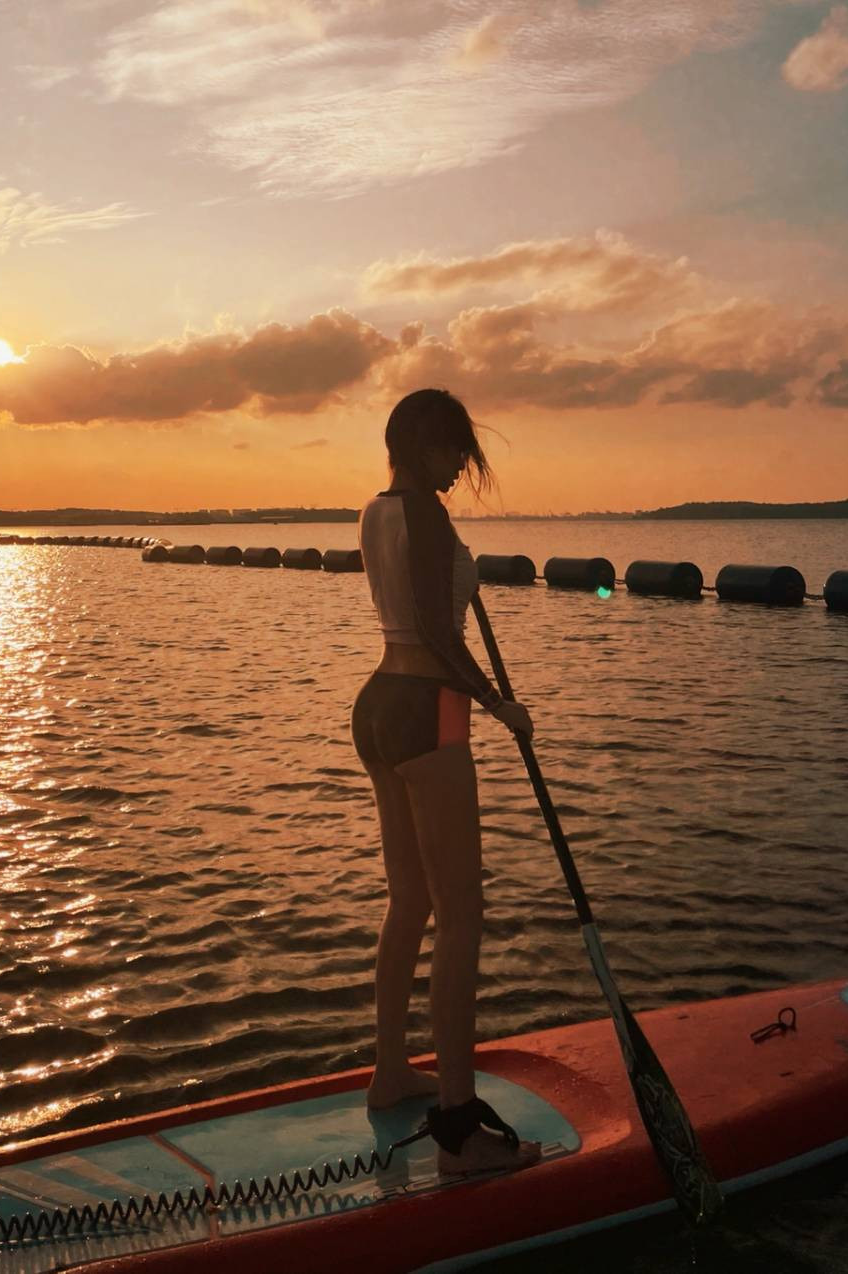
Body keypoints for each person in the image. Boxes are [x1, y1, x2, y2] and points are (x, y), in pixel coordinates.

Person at [352, 388, 542, 1177]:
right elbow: (435, 628)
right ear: (424, 442)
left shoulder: (375, 508)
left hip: (377, 704)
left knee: (411, 900)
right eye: (455, 447)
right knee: (463, 913)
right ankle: (460, 1126)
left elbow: (415, 620)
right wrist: (496, 701)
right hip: (429, 708)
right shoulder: (425, 514)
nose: (463, 461)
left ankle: (390, 1068)